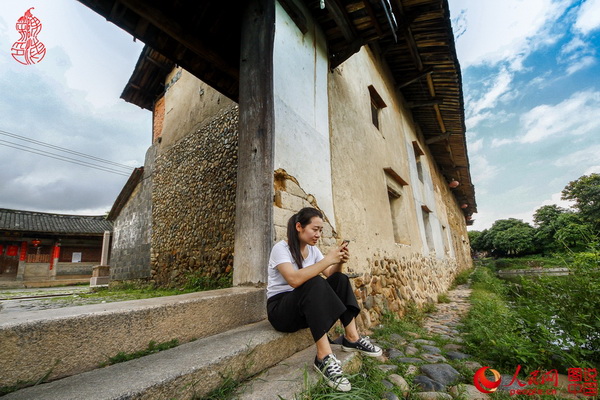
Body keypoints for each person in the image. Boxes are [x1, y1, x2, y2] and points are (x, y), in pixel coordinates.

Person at [266, 207, 382, 392]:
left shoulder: (313, 251)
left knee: (340, 279)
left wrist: (339, 261)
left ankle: (352, 338)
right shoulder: (281, 248)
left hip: (303, 308)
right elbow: (294, 280)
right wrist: (328, 259)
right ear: (299, 227)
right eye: (315, 229)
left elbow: (330, 275)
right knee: (313, 282)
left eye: (321, 230)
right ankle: (323, 357)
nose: (318, 234)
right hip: (281, 310)